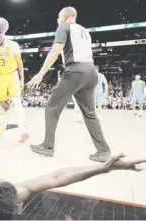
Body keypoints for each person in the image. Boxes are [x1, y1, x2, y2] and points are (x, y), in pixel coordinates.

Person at [27, 7, 111, 162]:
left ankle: (47, 146)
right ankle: (104, 151)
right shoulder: (85, 31)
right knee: (90, 113)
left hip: (75, 71)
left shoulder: (63, 27)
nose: (57, 20)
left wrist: (40, 74)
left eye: (59, 16)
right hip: (91, 72)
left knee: (52, 106)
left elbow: (55, 51)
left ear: (65, 16)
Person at [0, 35, 29, 143]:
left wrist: (22, 79)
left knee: (17, 104)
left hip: (12, 75)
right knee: (0, 108)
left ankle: (22, 132)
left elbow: (19, 63)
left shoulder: (13, 45)